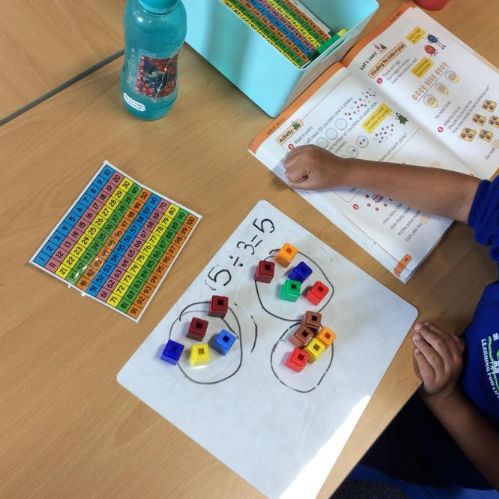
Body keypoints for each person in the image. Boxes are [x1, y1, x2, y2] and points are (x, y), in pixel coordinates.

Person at [283, 145, 499, 490]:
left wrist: (444, 398)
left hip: (440, 440)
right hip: (440, 333)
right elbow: (470, 200)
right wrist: (345, 171)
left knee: (298, 438)